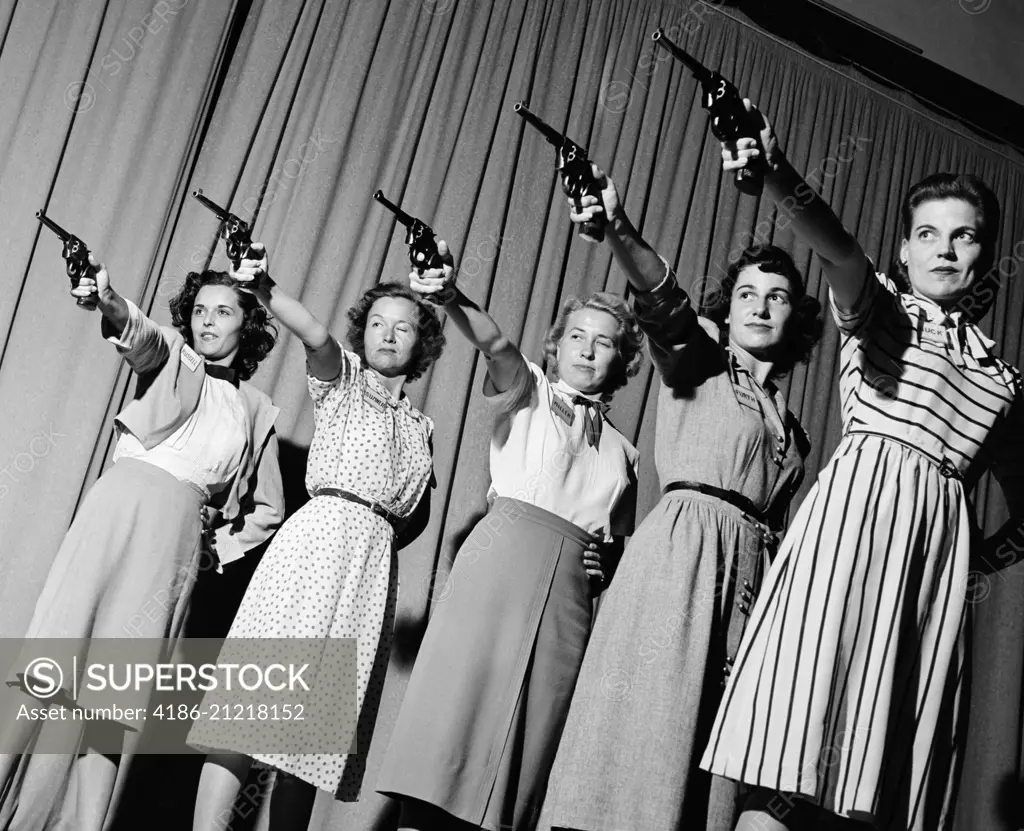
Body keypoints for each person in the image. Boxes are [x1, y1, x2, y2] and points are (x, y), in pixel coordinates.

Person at [699, 102, 1024, 831]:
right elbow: (839, 250)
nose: (944, 249)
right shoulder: (881, 311)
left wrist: (978, 559)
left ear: (985, 255)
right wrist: (777, 173)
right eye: (927, 234)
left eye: (964, 236)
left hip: (928, 567)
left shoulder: (1002, 381)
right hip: (846, 538)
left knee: (872, 778)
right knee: (790, 752)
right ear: (904, 251)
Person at [537, 164, 824, 831]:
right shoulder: (701, 359)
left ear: (796, 316)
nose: (759, 304)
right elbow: (662, 303)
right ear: (728, 306)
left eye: (777, 296)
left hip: (749, 581)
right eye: (747, 292)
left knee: (707, 750)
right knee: (645, 726)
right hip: (682, 559)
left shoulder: (797, 427)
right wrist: (619, 227)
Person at [0, 259, 283, 831]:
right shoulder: (174, 356)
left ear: (247, 326)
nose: (207, 322)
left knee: (113, 701)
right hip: (116, 512)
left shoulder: (257, 410)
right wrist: (107, 298)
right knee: (46, 668)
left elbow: (269, 510)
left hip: (175, 542)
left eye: (223, 312)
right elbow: (139, 333)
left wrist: (213, 549)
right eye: (199, 310)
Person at [376, 239, 645, 831]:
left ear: (621, 359)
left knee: (519, 759)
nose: (588, 348)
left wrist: (606, 562)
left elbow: (619, 547)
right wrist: (449, 295)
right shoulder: (529, 391)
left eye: (604, 341)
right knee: (450, 732)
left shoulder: (627, 454)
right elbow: (494, 343)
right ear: (556, 346)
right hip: (496, 575)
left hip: (566, 609)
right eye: (577, 335)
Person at [187, 243, 446, 831]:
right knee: (248, 714)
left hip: (367, 574)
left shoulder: (421, 427)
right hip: (312, 550)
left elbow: (418, 513)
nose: (387, 334)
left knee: (311, 739)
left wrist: (376, 544)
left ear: (421, 345)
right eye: (377, 323)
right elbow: (316, 336)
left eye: (402, 327)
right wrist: (264, 288)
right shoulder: (344, 381)